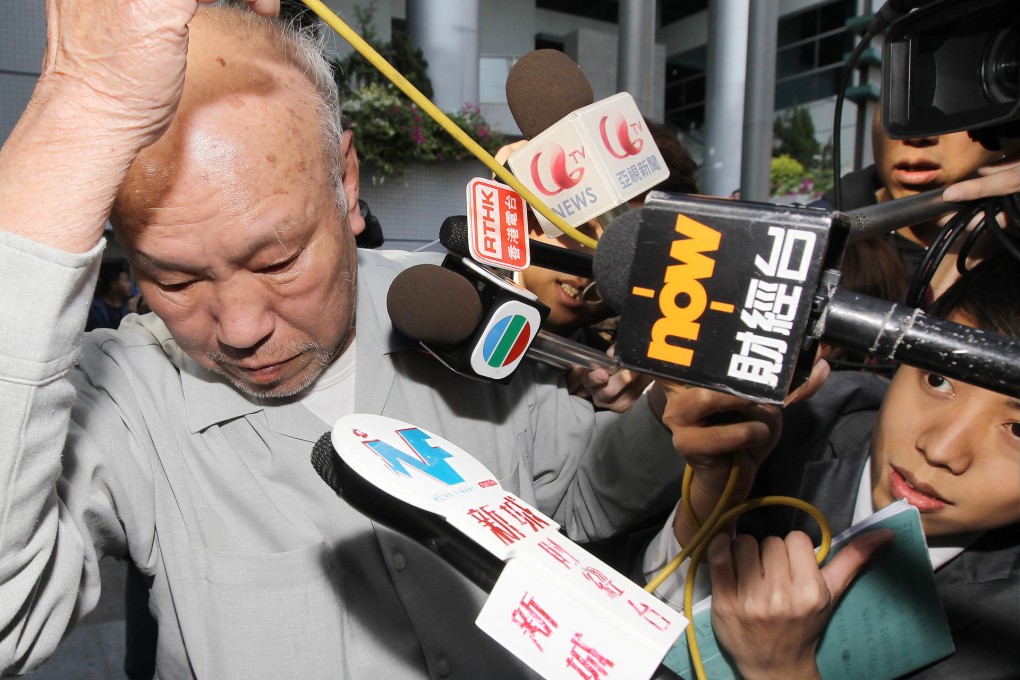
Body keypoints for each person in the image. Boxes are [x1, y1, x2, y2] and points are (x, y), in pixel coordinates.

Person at [0, 3, 689, 678]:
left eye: (277, 261)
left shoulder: (463, 309)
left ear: (346, 180)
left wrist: (673, 418)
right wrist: (79, 107)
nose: (241, 329)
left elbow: (581, 502)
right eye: (174, 281)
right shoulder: (123, 398)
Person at [646, 253, 1020, 679]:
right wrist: (711, 501)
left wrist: (781, 669)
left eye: (1018, 429)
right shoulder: (793, 421)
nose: (940, 449)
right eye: (938, 379)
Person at [85, 261, 134, 331]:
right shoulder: (94, 308)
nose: (130, 285)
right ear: (113, 285)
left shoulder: (130, 304)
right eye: (125, 281)